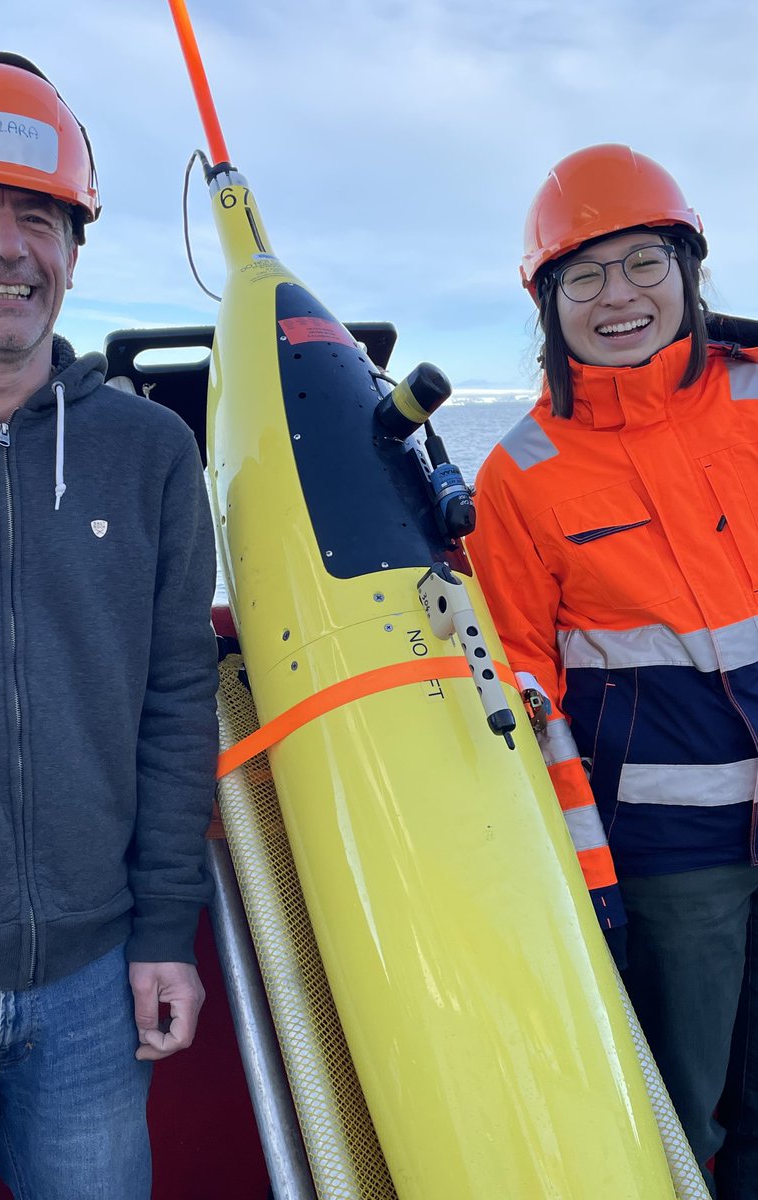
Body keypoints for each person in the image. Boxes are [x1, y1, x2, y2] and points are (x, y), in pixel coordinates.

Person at [0, 46, 219, 1200]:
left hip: (92, 986)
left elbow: (176, 702)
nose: (9, 248)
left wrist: (165, 930)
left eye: (40, 219)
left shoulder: (151, 453)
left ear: (73, 251)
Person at [470, 142, 758, 1198]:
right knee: (686, 1108)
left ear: (689, 269)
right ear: (547, 305)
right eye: (582, 275)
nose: (618, 296)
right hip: (673, 855)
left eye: (643, 262)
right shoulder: (518, 477)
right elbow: (519, 675)